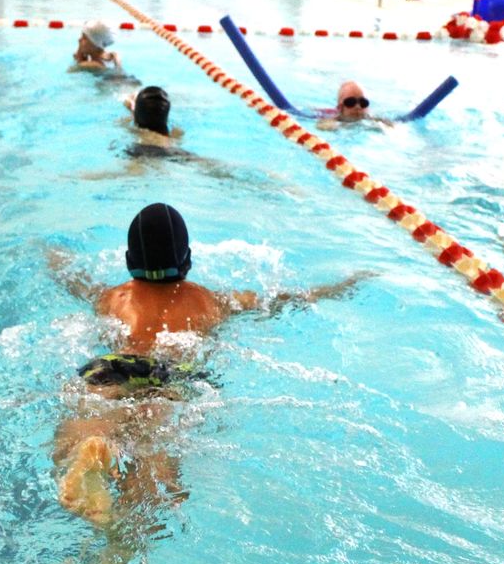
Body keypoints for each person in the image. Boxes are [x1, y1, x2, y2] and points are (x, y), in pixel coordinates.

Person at [50, 203, 367, 536]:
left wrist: (53, 257)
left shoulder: (112, 297)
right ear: (187, 259)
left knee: (90, 414)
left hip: (113, 365)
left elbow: (74, 280)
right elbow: (282, 300)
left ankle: (89, 447)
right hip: (170, 372)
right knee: (155, 454)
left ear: (129, 260)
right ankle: (128, 532)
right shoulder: (211, 300)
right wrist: (342, 286)